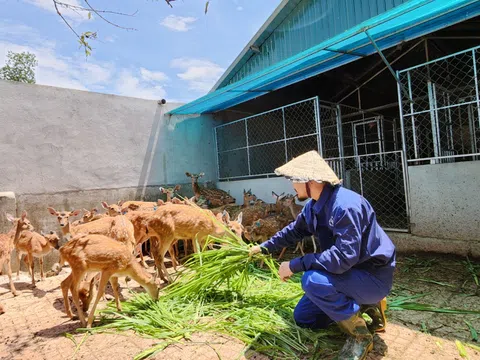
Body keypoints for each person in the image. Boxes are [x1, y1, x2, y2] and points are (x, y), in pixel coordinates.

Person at [249, 150, 396, 360]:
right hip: (348, 274)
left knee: (312, 280)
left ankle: (360, 336)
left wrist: (296, 264)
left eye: (293, 179)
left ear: (310, 180)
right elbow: (295, 231)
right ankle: (365, 306)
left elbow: (343, 258)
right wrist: (263, 247)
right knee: (304, 318)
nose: (291, 185)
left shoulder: (345, 206)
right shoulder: (313, 206)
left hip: (371, 276)